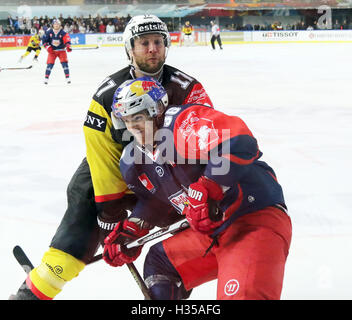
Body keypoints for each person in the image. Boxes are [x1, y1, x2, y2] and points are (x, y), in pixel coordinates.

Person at [10, 14, 213, 300]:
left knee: (187, 235)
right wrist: (110, 211)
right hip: (118, 166)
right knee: (81, 207)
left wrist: (201, 190)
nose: (152, 49)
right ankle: (45, 279)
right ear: (129, 48)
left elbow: (208, 141)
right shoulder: (107, 94)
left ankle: (171, 290)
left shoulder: (187, 87)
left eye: (157, 42)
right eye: (144, 43)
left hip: (171, 172)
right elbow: (101, 152)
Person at [103, 77, 292, 300]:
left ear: (158, 110)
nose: (133, 126)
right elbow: (155, 201)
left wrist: (210, 186)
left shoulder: (184, 122)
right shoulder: (133, 161)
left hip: (252, 221)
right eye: (126, 119)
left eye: (140, 116)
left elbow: (238, 141)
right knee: (160, 264)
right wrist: (133, 229)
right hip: (212, 234)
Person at [42, 19, 72, 85]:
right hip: (52, 51)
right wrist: (47, 47)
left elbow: (67, 40)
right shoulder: (49, 32)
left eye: (58, 24)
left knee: (64, 64)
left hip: (61, 51)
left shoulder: (63, 32)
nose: (56, 25)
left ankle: (68, 78)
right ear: (53, 25)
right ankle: (46, 78)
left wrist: (68, 46)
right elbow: (44, 41)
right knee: (50, 64)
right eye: (55, 24)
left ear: (60, 25)